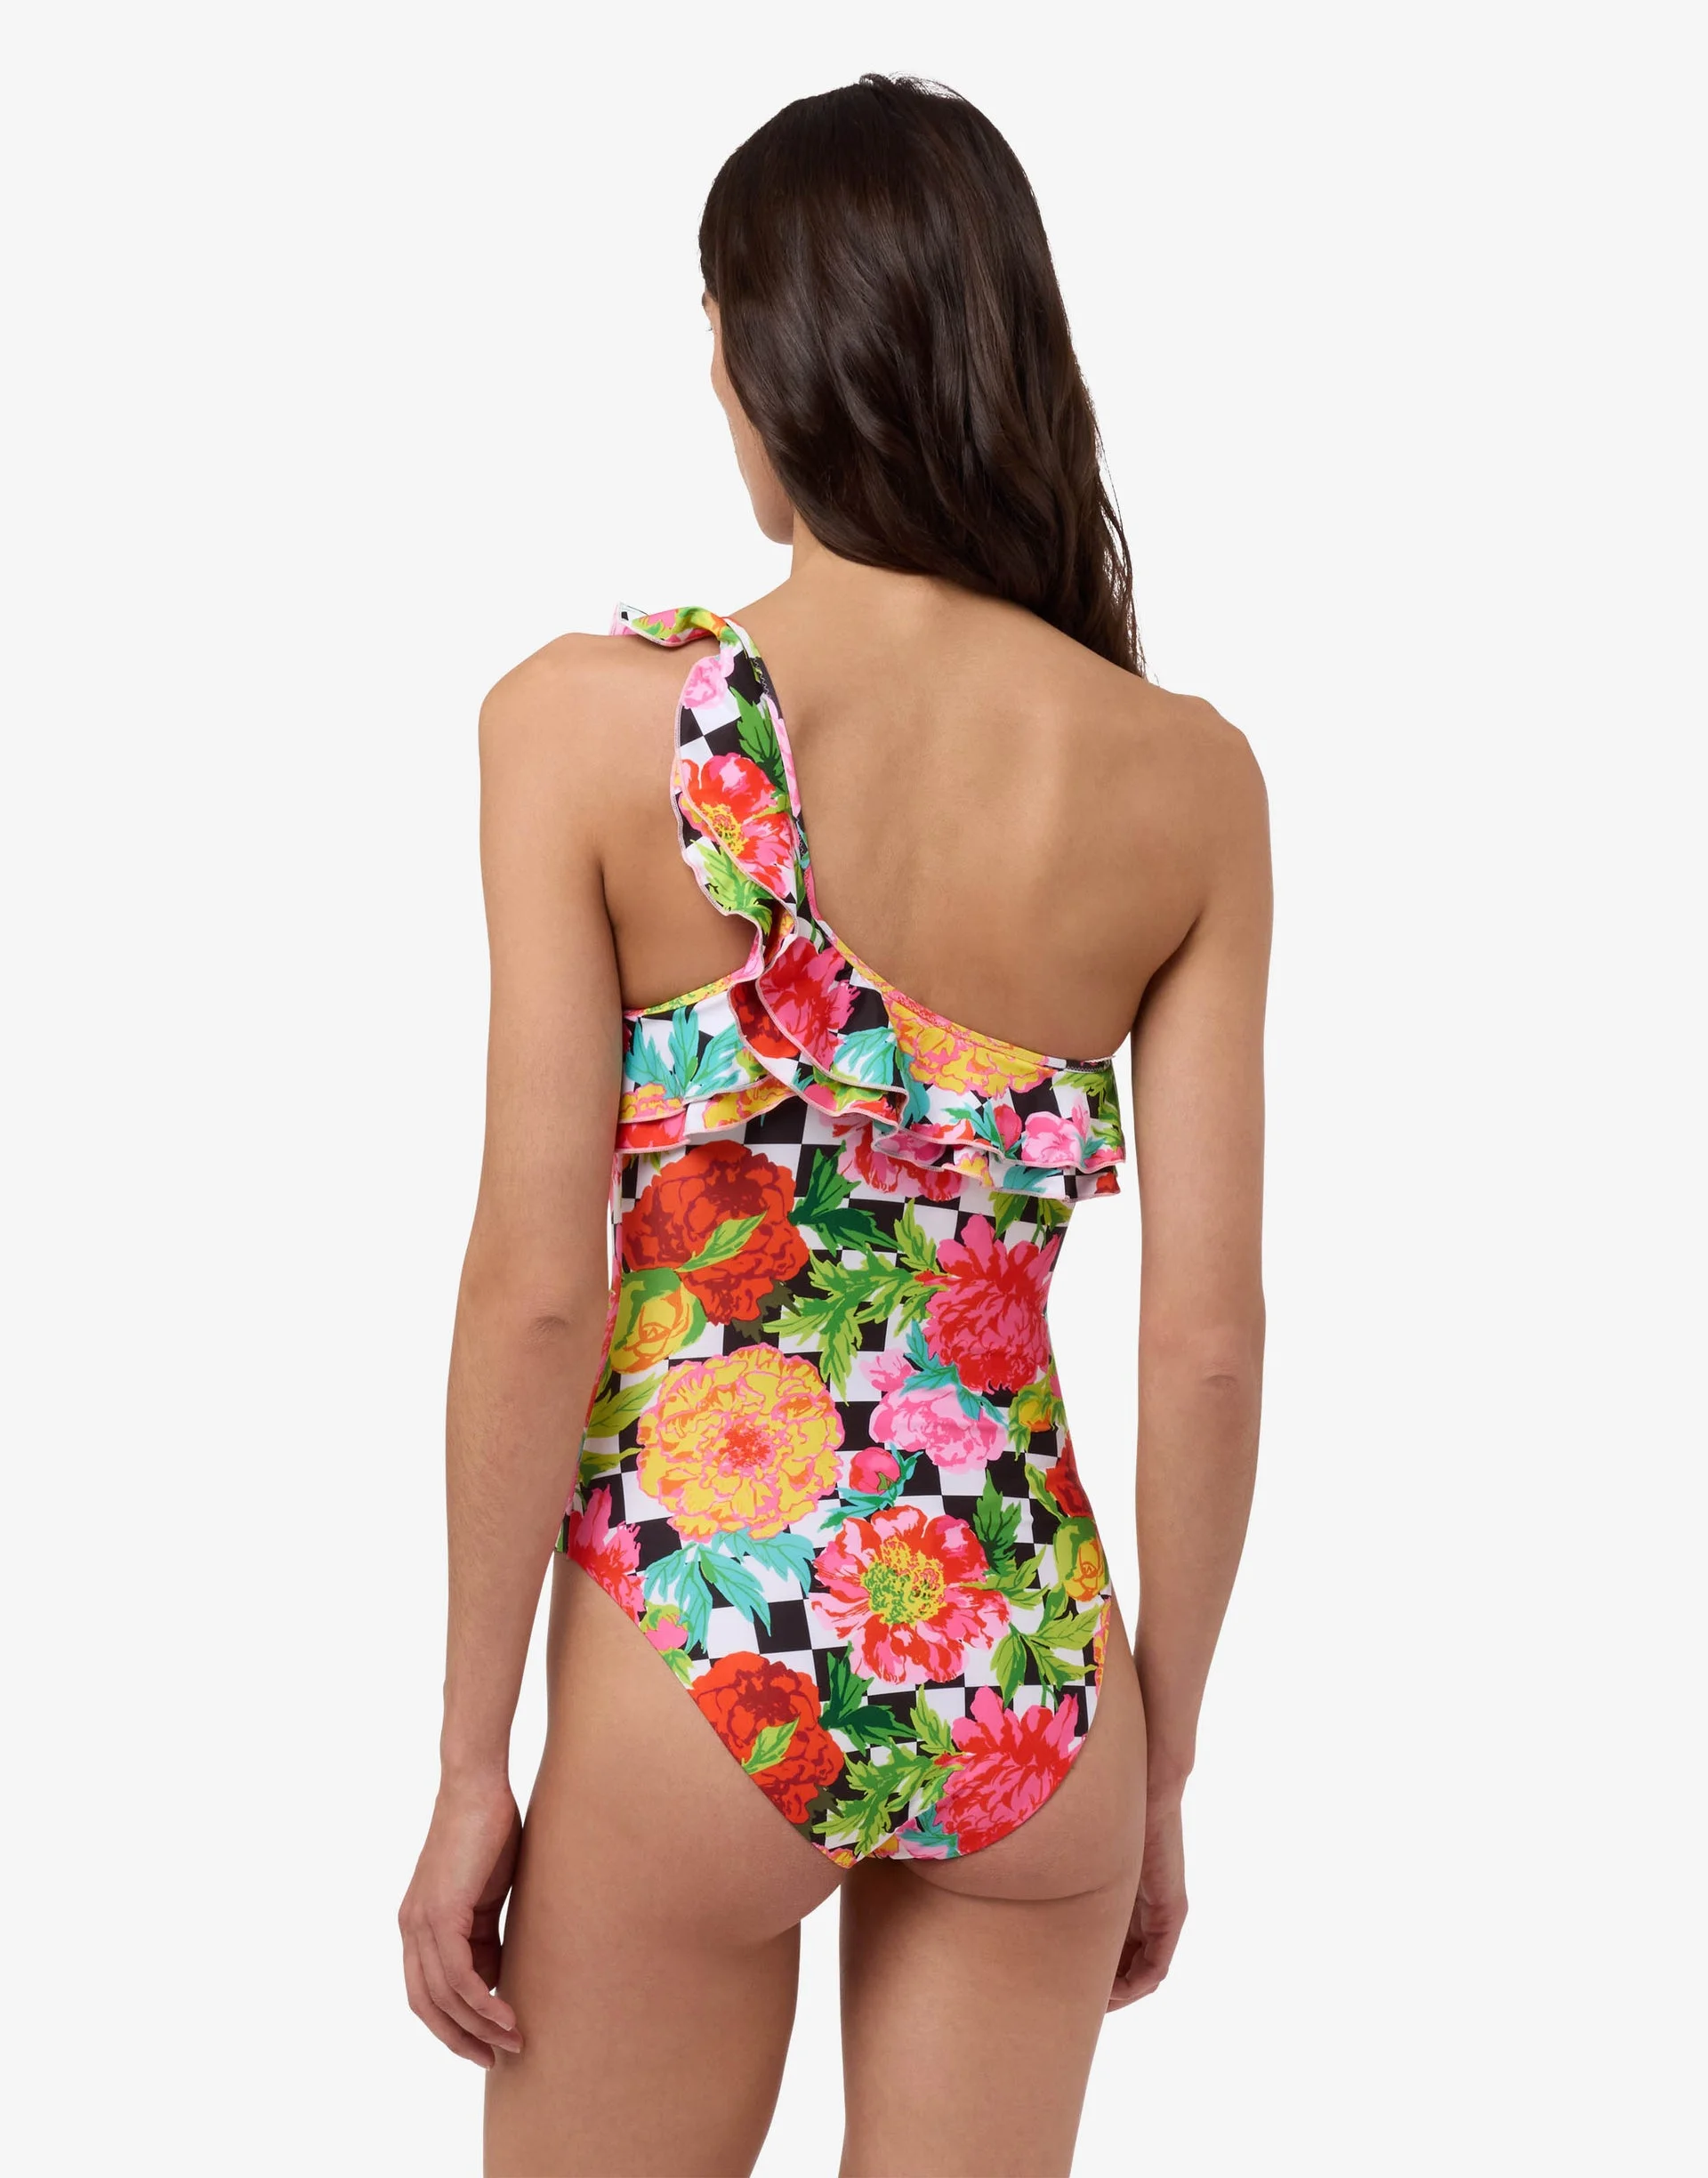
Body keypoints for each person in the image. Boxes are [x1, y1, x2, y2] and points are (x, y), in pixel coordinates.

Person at [399, 73, 1269, 2178]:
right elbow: (1206, 1339)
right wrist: (1157, 1766)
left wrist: (470, 1760)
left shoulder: (587, 727)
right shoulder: (1186, 778)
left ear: (764, 356)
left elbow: (537, 1292)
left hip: (707, 1635)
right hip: (1029, 1656)